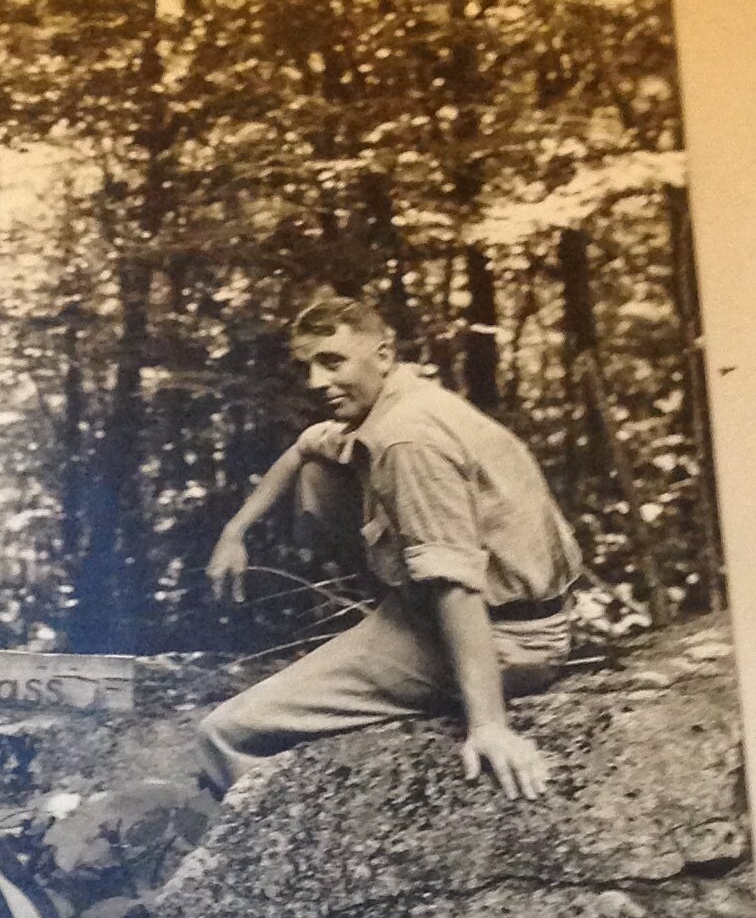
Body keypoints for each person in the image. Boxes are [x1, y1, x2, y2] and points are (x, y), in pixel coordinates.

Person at [199, 288, 582, 801]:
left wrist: (489, 725)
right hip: (518, 614)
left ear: (382, 354)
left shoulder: (407, 440)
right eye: (308, 366)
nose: (317, 381)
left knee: (225, 733)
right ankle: (382, 623)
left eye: (332, 362)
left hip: (501, 637)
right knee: (318, 473)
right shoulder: (400, 401)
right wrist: (234, 532)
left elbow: (454, 582)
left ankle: (299, 860)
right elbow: (302, 448)